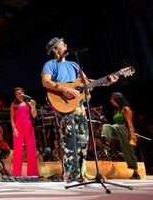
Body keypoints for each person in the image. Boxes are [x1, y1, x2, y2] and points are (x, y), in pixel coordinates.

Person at [41, 37, 118, 185]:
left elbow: (87, 83)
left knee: (83, 140)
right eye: (63, 44)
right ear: (56, 50)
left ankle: (82, 174)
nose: (66, 45)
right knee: (69, 140)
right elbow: (46, 82)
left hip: (79, 107)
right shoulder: (50, 65)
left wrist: (106, 81)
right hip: (63, 107)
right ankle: (70, 174)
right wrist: (65, 88)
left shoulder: (74, 65)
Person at [101, 92, 140, 179]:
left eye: (112, 99)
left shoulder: (126, 109)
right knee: (106, 126)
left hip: (125, 130)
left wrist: (132, 134)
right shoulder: (116, 110)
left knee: (129, 151)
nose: (111, 101)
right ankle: (106, 141)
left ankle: (136, 173)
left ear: (117, 99)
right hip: (117, 128)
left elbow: (130, 123)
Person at [10, 87, 39, 176]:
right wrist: (14, 128)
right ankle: (17, 174)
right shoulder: (13, 104)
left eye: (20, 93)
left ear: (23, 93)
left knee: (31, 150)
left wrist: (33, 106)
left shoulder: (29, 103)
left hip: (29, 127)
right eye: (17, 94)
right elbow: (11, 118)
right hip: (18, 128)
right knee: (18, 151)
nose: (19, 95)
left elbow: (34, 116)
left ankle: (32, 173)